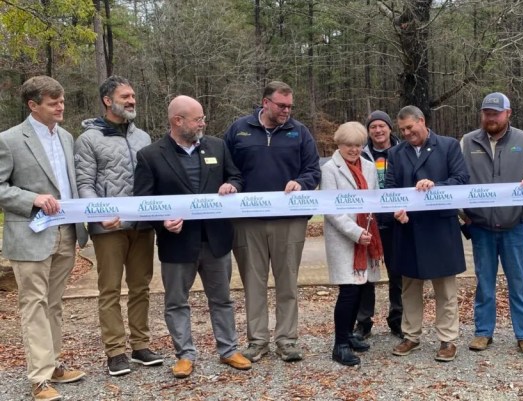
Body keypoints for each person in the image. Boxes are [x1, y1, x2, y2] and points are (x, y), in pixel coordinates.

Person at [133, 95, 251, 378]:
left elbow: (236, 177)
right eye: (197, 119)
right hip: (177, 243)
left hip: (217, 240)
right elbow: (142, 201)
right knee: (176, 302)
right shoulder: (150, 155)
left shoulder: (217, 147)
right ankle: (185, 355)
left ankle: (228, 350)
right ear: (178, 121)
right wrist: (162, 222)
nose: (203, 123)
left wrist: (231, 186)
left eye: (202, 118)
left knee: (221, 298)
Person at [0, 76, 88, 401]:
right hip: (29, 234)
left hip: (66, 231)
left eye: (61, 100)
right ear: (33, 105)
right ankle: (39, 377)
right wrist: (31, 199)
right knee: (34, 304)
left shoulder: (66, 136)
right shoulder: (9, 140)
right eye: (53, 102)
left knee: (53, 304)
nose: (60, 106)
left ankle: (52, 365)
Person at [224, 81, 321, 363]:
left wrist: (301, 183)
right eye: (281, 106)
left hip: (288, 221)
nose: (287, 111)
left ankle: (287, 340)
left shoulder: (299, 132)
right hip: (247, 221)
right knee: (253, 283)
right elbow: (226, 168)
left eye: (290, 106)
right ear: (265, 103)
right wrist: (231, 184)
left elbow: (313, 170)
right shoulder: (238, 129)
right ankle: (257, 341)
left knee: (287, 283)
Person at [74, 76, 160, 377]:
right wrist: (98, 214)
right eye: (125, 96)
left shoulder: (144, 138)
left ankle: (140, 346)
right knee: (109, 289)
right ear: (108, 101)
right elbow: (84, 183)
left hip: (142, 226)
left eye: (133, 95)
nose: (132, 100)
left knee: (141, 287)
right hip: (108, 227)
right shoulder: (88, 140)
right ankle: (115, 351)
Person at [460, 92, 523, 356]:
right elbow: (456, 178)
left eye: (496, 113)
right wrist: (463, 214)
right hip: (480, 225)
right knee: (484, 281)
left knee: (518, 281)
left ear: (508, 113)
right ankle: (483, 332)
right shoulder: (467, 142)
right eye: (487, 113)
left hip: (514, 225)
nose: (491, 118)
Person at [386, 105, 469, 362]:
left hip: (440, 227)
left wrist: (437, 186)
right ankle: (410, 335)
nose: (407, 133)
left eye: (410, 127)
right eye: (402, 130)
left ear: (422, 121)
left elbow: (461, 179)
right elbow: (390, 188)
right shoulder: (395, 153)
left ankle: (448, 339)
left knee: (445, 288)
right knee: (410, 287)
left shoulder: (448, 146)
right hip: (408, 228)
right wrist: (395, 210)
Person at [321, 122, 384, 366]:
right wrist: (356, 232)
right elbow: (331, 209)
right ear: (339, 144)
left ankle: (349, 334)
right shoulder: (330, 169)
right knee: (348, 291)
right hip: (344, 238)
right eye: (349, 145)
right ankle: (340, 344)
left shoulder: (368, 167)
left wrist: (367, 231)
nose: (354, 150)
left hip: (366, 236)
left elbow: (374, 200)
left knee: (361, 288)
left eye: (358, 145)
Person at [354, 110, 403, 339]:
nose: (378, 130)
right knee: (366, 274)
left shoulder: (402, 151)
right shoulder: (360, 155)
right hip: (369, 220)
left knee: (398, 273)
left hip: (396, 220)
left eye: (382, 126)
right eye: (373, 127)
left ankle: (398, 319)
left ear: (390, 129)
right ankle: (364, 322)